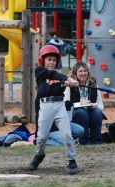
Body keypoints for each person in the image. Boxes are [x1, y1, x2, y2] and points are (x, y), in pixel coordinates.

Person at [28, 44, 79, 175]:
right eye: (49, 59)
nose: (51, 62)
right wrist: (66, 78)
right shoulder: (39, 71)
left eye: (54, 60)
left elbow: (59, 85)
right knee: (41, 137)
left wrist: (68, 84)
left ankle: (71, 160)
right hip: (45, 106)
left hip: (59, 106)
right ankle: (39, 155)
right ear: (43, 60)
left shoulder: (58, 77)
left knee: (67, 134)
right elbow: (51, 74)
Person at [64, 61, 104, 145]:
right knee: (82, 112)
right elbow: (66, 105)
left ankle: (97, 142)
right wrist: (80, 104)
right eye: (80, 71)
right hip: (75, 114)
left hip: (91, 112)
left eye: (85, 71)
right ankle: (85, 141)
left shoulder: (93, 85)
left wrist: (94, 105)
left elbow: (101, 106)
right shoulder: (69, 85)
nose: (83, 73)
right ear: (75, 73)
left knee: (97, 112)